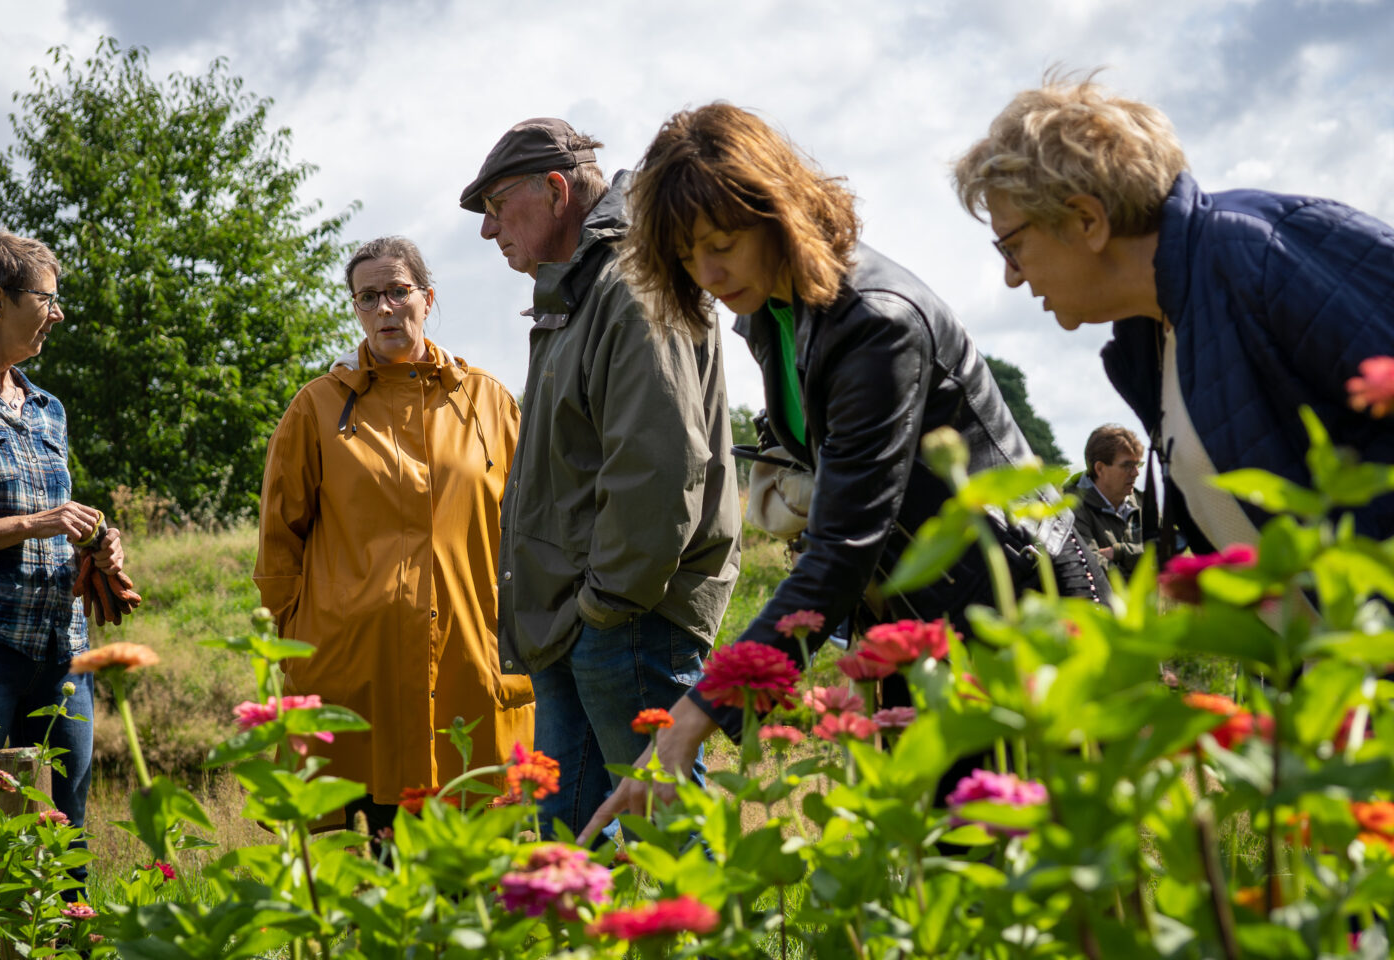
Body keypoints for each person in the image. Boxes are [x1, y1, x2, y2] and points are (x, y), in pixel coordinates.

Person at [581, 102, 1106, 839]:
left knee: (1032, 878)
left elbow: (846, 541)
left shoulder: (873, 323)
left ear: (777, 211)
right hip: (922, 624)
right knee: (943, 873)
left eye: (722, 243)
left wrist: (695, 715)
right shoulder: (773, 313)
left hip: (1022, 614)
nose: (707, 271)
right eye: (686, 255)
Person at [952, 74, 1394, 555]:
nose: (1011, 277)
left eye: (1013, 246)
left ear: (1087, 220)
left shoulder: (1264, 252)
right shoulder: (1153, 332)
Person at [458, 118, 740, 838]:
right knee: (571, 851)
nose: (489, 231)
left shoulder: (629, 283)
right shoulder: (576, 292)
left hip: (626, 622)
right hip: (577, 623)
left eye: (496, 206)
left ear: (555, 190)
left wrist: (606, 605)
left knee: (671, 841)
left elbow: (659, 465)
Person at [254, 236, 532, 836]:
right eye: (368, 297)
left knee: (477, 851)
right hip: (356, 670)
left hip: (471, 655)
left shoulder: (487, 400)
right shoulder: (318, 409)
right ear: (355, 308)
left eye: (398, 292)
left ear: (427, 299)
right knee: (380, 855)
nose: (385, 308)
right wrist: (308, 642)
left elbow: (530, 525)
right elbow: (279, 549)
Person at [0, 225, 127, 893]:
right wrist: (36, 523)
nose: (57, 313)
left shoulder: (48, 410)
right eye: (47, 298)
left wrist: (97, 539)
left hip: (63, 653)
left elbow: (60, 517)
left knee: (66, 835)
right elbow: (36, 518)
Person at [1064, 425, 1145, 577]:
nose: (1136, 473)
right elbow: (1091, 568)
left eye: (1138, 464)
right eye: (1127, 466)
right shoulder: (1071, 509)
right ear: (1100, 469)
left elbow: (1170, 551)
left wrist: (1119, 552)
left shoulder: (1143, 503)